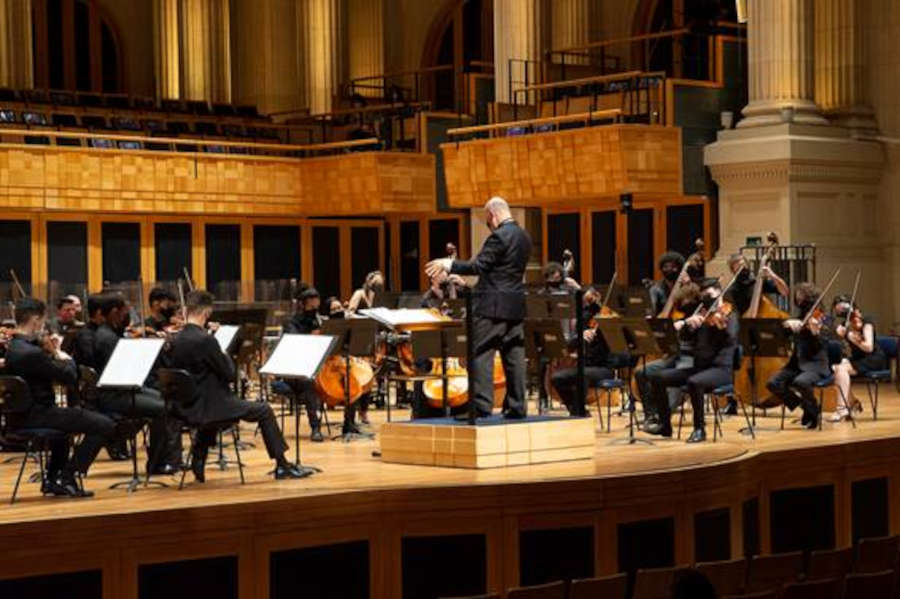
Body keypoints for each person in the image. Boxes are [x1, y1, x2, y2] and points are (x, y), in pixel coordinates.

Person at [166, 289, 311, 480]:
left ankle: (198, 458)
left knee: (211, 416)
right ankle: (282, 465)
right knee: (264, 410)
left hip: (186, 407)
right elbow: (229, 374)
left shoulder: (176, 339)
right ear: (206, 312)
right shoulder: (206, 340)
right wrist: (222, 347)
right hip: (210, 407)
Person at [426, 196, 532, 420]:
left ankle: (481, 407)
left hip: (492, 307)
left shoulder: (499, 237)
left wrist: (449, 263)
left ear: (493, 215)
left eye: (487, 219)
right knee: (513, 355)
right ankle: (517, 406)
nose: (489, 223)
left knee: (480, 352)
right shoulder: (525, 237)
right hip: (515, 306)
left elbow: (478, 266)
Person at [3, 297, 116, 497]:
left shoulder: (13, 348)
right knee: (104, 424)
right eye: (43, 320)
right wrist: (58, 354)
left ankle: (53, 479)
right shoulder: (33, 353)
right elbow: (69, 377)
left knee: (64, 426)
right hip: (39, 414)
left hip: (19, 415)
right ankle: (69, 475)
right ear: (36, 320)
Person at [89, 293, 182, 474]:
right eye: (125, 311)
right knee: (164, 407)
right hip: (114, 394)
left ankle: (164, 458)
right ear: (115, 312)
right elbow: (121, 372)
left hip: (121, 390)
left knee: (167, 400)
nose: (128, 316)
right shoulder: (107, 338)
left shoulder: (108, 333)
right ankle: (157, 463)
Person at [645, 281, 738, 442]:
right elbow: (686, 339)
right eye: (705, 297)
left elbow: (731, 335)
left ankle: (699, 429)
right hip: (699, 367)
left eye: (711, 296)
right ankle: (665, 425)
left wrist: (718, 323)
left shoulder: (729, 316)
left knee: (694, 382)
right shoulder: (702, 315)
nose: (708, 300)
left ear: (720, 294)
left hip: (720, 369)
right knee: (656, 377)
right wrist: (689, 326)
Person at [549, 286, 629, 416]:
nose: (589, 303)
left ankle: (578, 412)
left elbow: (620, 341)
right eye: (586, 301)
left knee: (583, 375)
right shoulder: (584, 318)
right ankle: (577, 410)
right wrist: (580, 335)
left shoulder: (608, 317)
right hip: (585, 365)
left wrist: (604, 321)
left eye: (591, 299)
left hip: (604, 369)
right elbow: (570, 345)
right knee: (556, 378)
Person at [766, 282, 829, 429]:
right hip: (796, 364)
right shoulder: (799, 317)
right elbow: (783, 334)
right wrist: (786, 324)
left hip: (815, 365)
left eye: (801, 294)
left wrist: (815, 333)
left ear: (810, 296)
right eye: (797, 295)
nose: (798, 297)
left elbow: (825, 341)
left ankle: (811, 411)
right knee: (773, 383)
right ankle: (807, 406)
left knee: (801, 382)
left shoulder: (821, 317)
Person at [277, 286, 325, 442]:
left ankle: (349, 424)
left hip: (317, 366)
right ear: (303, 305)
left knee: (347, 379)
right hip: (294, 370)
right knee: (309, 382)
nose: (313, 310)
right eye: (311, 306)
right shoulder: (291, 323)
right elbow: (296, 344)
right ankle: (315, 427)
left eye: (316, 306)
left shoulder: (319, 321)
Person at [830, 302, 885, 422]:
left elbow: (869, 347)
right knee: (835, 369)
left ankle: (842, 409)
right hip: (859, 359)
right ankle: (853, 402)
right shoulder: (845, 325)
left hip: (873, 358)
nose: (856, 317)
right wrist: (840, 335)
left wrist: (850, 337)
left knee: (841, 369)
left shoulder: (867, 322)